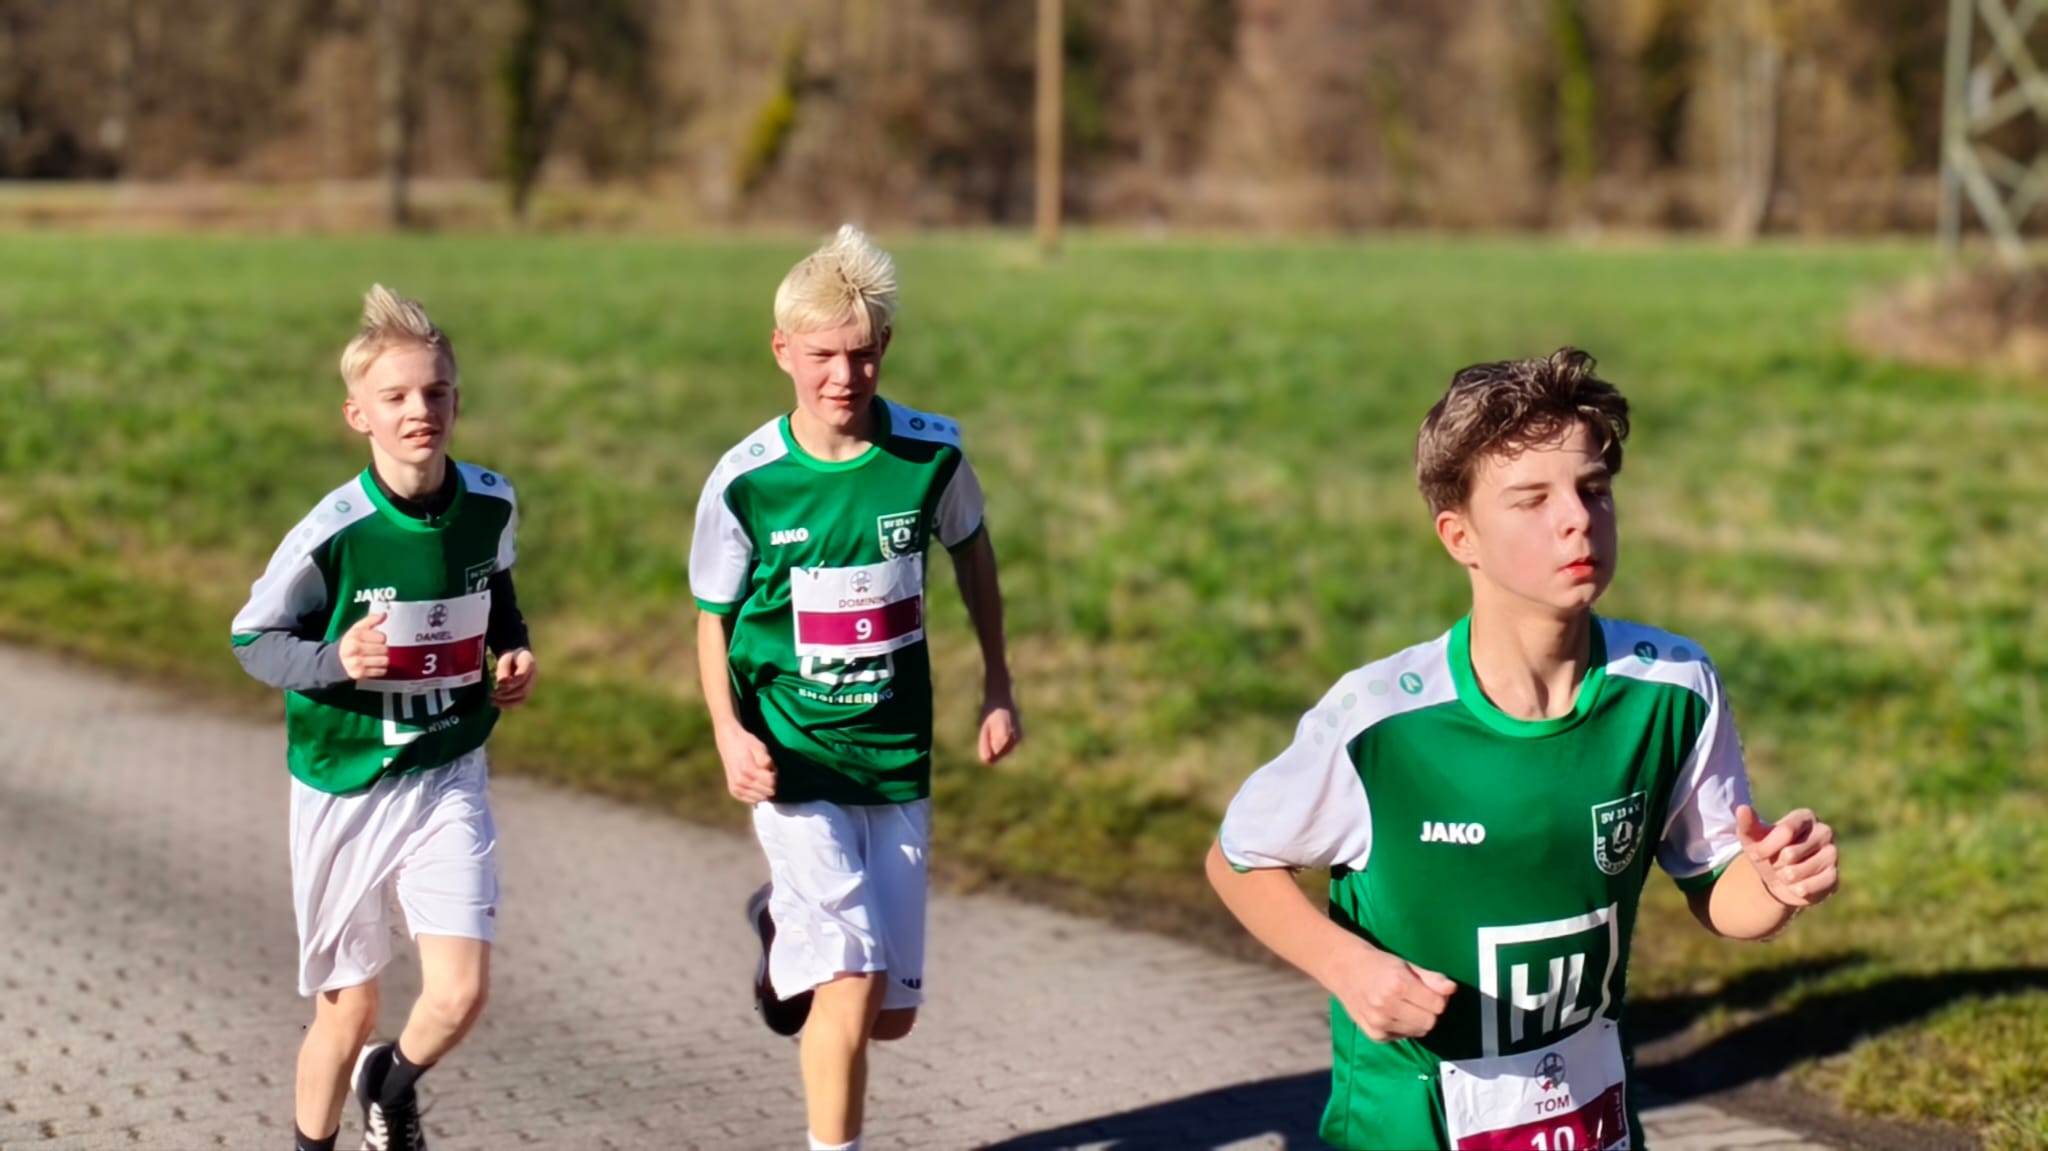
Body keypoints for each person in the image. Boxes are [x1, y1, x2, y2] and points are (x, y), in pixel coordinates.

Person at [1206, 348, 1839, 1150]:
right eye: (1532, 500)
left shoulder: (1672, 687)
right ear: (1459, 535)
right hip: (1408, 1129)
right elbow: (1234, 858)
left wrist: (1777, 884)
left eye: (1594, 490)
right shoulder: (1380, 722)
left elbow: (1721, 891)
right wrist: (1348, 967)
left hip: (1590, 1120)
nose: (1576, 518)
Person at [689, 225, 1021, 1151]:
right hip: (790, 756)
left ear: (886, 351)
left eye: (863, 353)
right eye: (824, 355)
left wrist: (997, 683)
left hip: (894, 756)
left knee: (889, 1013)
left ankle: (776, 935)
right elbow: (711, 617)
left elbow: (973, 552)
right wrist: (727, 730)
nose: (844, 375)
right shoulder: (746, 482)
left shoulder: (931, 456)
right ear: (783, 352)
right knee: (849, 980)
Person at [230, 285, 537, 1151]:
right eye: (396, 397)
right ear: (356, 412)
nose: (419, 412)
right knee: (350, 1005)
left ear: (457, 401)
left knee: (459, 991)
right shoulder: (332, 532)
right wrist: (337, 661)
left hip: (446, 769)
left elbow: (495, 588)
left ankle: (387, 1079)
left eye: (435, 393)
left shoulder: (491, 500)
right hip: (345, 785)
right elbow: (251, 639)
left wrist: (509, 650)